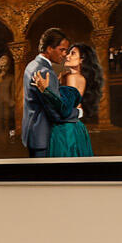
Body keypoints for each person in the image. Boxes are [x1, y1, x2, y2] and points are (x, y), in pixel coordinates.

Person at [28, 42, 102, 159]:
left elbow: (64, 110)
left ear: (82, 60)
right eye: (68, 53)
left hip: (66, 131)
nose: (67, 56)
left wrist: (45, 90)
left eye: (73, 53)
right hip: (72, 128)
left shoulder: (73, 77)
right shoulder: (71, 76)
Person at [20, 28, 69, 157]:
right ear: (49, 49)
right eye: (62, 50)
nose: (65, 54)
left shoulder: (32, 65)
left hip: (33, 133)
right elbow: (55, 112)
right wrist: (77, 112)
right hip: (43, 136)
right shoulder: (45, 72)